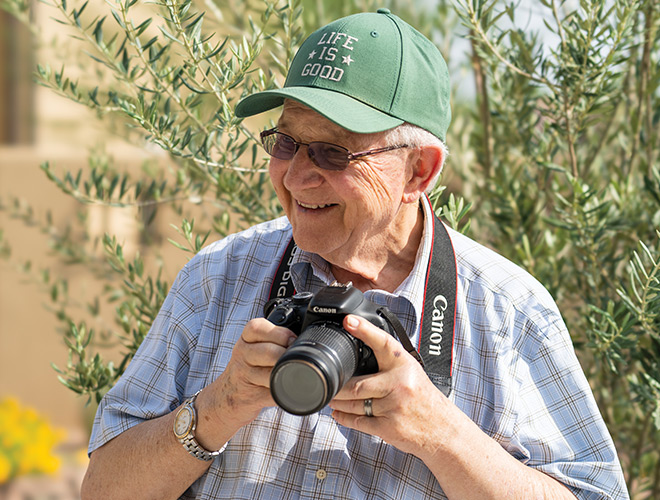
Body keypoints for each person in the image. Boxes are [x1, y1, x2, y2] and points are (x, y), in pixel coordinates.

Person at [81, 9, 628, 500]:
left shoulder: (509, 310)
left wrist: (442, 435)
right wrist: (219, 407)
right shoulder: (216, 277)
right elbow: (102, 492)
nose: (296, 176)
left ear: (420, 171)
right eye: (286, 142)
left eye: (333, 152)